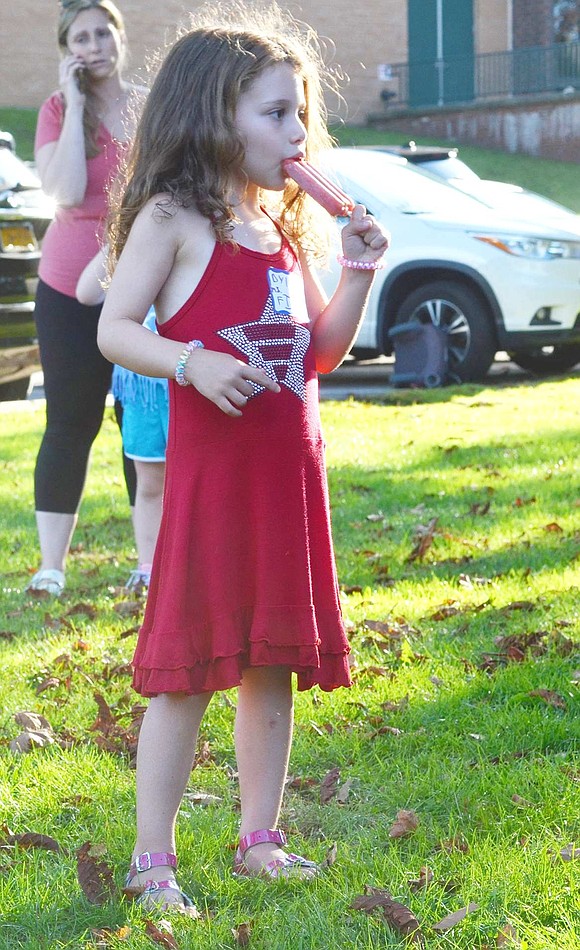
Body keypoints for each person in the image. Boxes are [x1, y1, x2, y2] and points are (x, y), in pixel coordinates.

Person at [97, 0, 389, 912]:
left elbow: (318, 354)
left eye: (300, 112)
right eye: (275, 113)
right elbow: (113, 327)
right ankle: (155, 859)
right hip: (214, 483)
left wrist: (357, 273)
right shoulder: (174, 217)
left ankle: (261, 837)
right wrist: (191, 359)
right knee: (188, 667)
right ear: (212, 114)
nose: (297, 131)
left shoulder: (285, 224)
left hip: (287, 479)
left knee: (273, 661)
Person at [27, 0, 143, 597]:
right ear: (66, 49)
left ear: (120, 38)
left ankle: (152, 562)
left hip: (141, 279)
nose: (94, 45)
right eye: (81, 38)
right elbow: (67, 190)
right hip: (67, 288)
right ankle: (51, 567)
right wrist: (74, 106)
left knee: (139, 422)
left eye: (103, 33)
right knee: (70, 421)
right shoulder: (54, 110)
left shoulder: (150, 106)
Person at [76, 247, 168, 592]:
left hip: (187, 385)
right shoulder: (130, 242)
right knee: (149, 484)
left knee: (192, 482)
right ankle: (150, 568)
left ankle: (195, 567)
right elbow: (86, 292)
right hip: (141, 392)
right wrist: (121, 233)